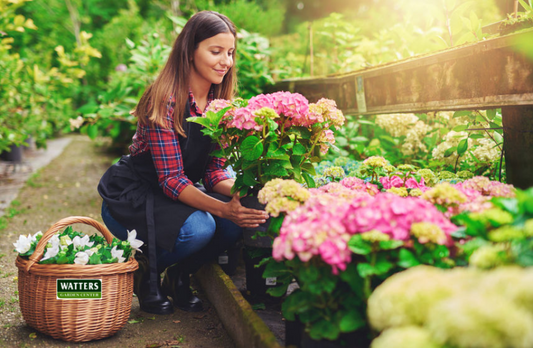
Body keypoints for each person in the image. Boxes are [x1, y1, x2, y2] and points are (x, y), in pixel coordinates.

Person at [98, 11, 268, 315]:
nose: (226, 62)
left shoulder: (220, 104)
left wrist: (245, 194)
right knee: (201, 227)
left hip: (174, 196)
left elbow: (215, 171)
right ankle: (145, 274)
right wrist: (222, 207)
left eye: (230, 53)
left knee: (235, 222)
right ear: (190, 51)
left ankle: (180, 274)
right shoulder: (163, 99)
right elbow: (171, 179)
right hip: (133, 198)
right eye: (215, 51)